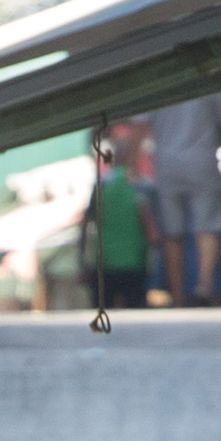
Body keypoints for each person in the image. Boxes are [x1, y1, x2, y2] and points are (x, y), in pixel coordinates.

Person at [148, 89, 221, 304]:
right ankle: (204, 284)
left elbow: (139, 124)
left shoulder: (158, 79)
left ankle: (178, 295)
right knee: (207, 225)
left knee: (172, 232)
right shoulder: (212, 79)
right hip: (203, 159)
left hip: (165, 162)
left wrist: (131, 168)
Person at [86, 132, 150, 320]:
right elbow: (150, 226)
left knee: (104, 318)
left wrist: (84, 262)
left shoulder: (101, 186)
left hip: (105, 263)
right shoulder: (139, 185)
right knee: (134, 318)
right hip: (134, 262)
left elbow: (86, 224)